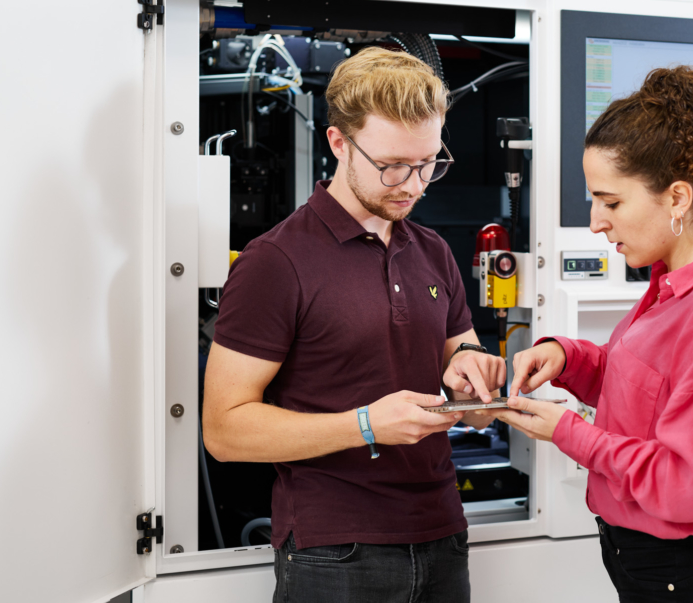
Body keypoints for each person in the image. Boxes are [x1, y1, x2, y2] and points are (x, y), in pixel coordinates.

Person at [202, 47, 506, 603]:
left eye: (429, 163)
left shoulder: (434, 252)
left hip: (443, 534)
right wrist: (364, 424)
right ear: (339, 143)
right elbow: (223, 431)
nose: (413, 185)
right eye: (392, 165)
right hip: (335, 552)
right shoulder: (276, 262)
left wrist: (472, 376)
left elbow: (460, 353)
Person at [491, 66, 693, 601]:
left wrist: (568, 432)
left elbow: (692, 483)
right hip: (657, 569)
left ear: (677, 198)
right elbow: (648, 388)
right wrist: (569, 358)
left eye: (611, 201)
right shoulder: (674, 285)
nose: (596, 223)